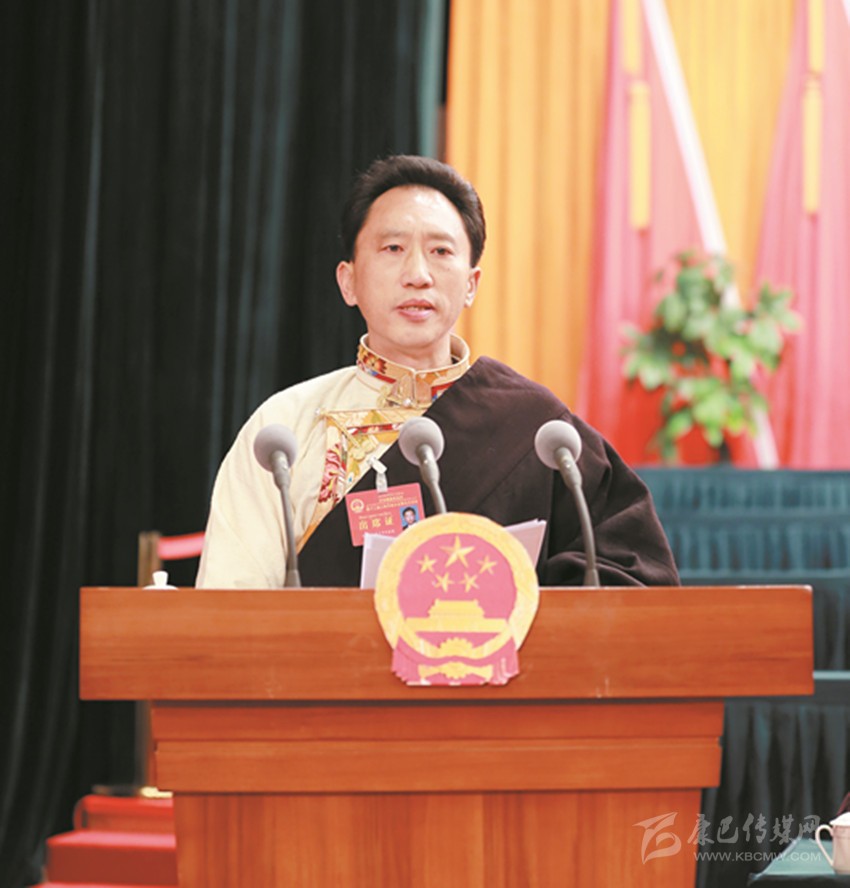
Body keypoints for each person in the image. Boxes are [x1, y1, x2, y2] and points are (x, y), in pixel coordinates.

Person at [196, 155, 678, 589]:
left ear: (471, 285)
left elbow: (629, 576)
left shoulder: (538, 431)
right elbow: (230, 607)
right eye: (392, 248)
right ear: (349, 281)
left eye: (441, 252)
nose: (418, 274)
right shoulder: (282, 430)